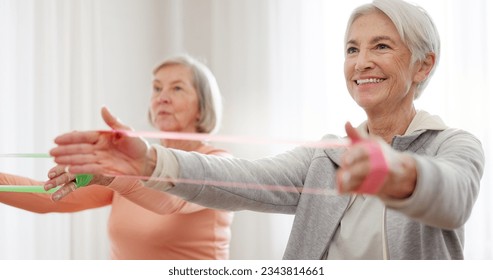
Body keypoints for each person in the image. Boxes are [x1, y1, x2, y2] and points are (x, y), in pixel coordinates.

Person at [49, 0, 484, 260]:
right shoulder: (326, 157)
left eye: (381, 46)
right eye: (352, 49)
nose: (361, 62)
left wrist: (398, 173)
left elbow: (454, 196)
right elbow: (239, 178)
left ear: (423, 64)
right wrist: (149, 159)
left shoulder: (454, 145)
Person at [0, 54, 233, 260]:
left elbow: (172, 200)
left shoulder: (219, 163)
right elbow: (48, 195)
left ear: (203, 105)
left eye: (177, 88)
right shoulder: (132, 164)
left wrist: (118, 175)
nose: (162, 97)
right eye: (157, 88)